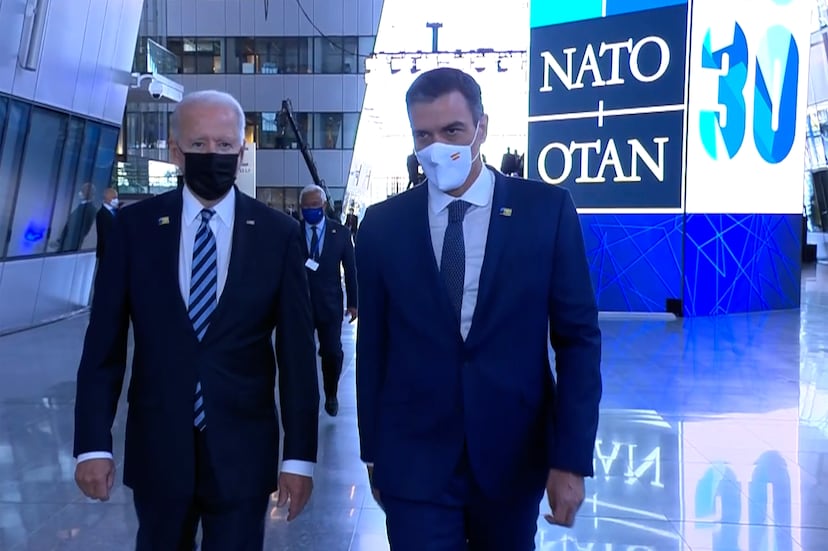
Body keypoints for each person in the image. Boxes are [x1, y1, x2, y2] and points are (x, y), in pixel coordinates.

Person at [355, 67, 602, 550]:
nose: (436, 147)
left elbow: (578, 341)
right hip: (413, 460)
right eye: (423, 135)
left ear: (481, 128)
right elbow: (373, 348)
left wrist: (570, 458)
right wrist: (373, 454)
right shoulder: (383, 226)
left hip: (513, 455)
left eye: (452, 131)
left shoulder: (545, 212)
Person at [73, 90, 319, 551]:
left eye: (224, 145)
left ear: (241, 153)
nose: (213, 154)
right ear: (175, 151)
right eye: (199, 144)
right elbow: (103, 345)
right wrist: (93, 443)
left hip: (244, 452)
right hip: (158, 448)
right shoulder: (134, 229)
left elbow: (298, 358)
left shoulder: (278, 235)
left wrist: (299, 457)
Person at [299, 184, 358, 417]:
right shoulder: (292, 231)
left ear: (323, 205)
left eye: (314, 205)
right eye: (306, 206)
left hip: (330, 304)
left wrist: (353, 303)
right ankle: (305, 397)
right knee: (300, 353)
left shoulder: (340, 233)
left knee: (332, 352)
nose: (310, 210)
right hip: (300, 304)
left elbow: (351, 270)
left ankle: (331, 393)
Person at [57, 182, 97, 252]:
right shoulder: (81, 207)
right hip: (67, 245)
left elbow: (85, 230)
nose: (80, 193)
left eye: (82, 191)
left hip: (72, 247)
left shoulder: (90, 209)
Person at [95, 187, 119, 261]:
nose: (116, 200)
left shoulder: (116, 212)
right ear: (106, 198)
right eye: (114, 198)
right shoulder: (102, 214)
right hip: (106, 253)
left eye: (116, 197)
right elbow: (105, 235)